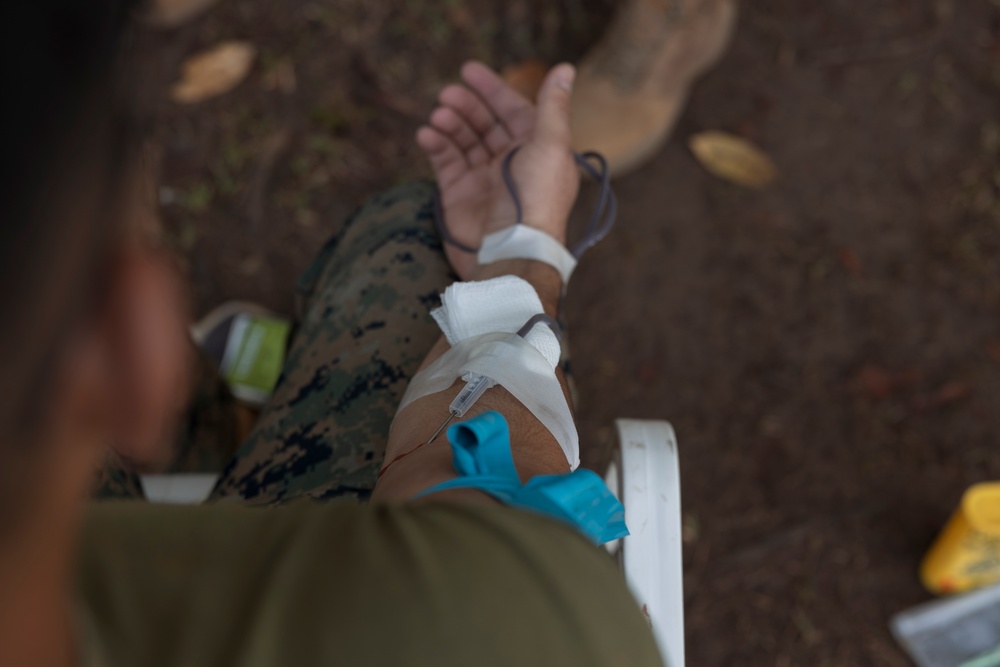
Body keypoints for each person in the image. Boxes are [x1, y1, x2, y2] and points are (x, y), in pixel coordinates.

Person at [1, 1, 666, 666]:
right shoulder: (532, 630)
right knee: (418, 236)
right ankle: (213, 429)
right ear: (136, 356)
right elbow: (487, 524)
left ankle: (212, 434)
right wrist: (522, 255)